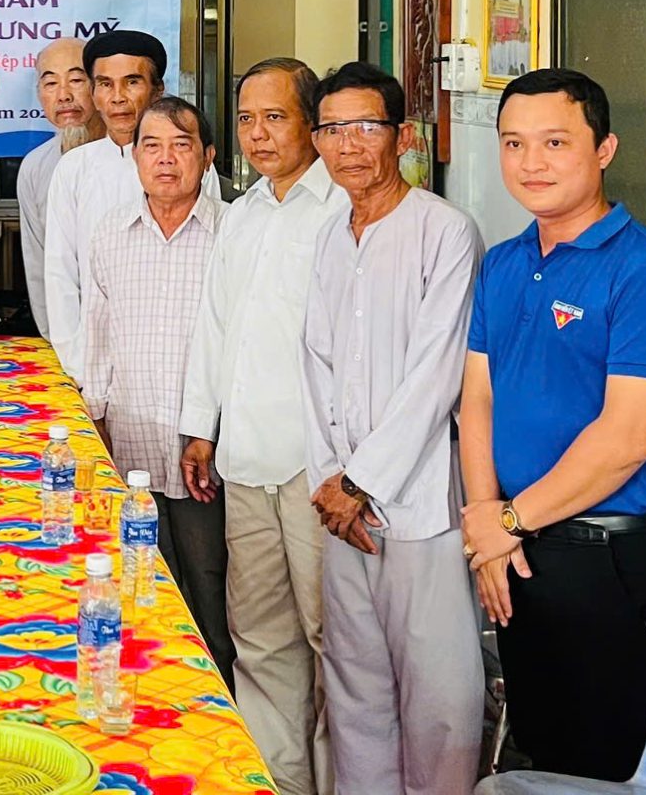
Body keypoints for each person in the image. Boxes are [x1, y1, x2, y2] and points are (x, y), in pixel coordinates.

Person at [460, 68, 646, 781]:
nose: (530, 162)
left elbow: (624, 442)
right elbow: (477, 399)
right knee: (544, 754)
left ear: (604, 150)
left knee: (612, 768)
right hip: (521, 548)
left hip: (612, 560)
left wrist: (503, 523)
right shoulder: (503, 266)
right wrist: (489, 524)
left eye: (555, 142)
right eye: (513, 144)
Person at [299, 61, 483, 795]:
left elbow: (436, 379)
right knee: (355, 687)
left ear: (401, 136)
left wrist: (361, 480)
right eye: (332, 130)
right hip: (340, 508)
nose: (348, 145)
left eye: (366, 127)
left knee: (440, 696)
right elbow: (314, 365)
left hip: (416, 506)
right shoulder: (328, 236)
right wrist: (329, 481)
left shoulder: (444, 232)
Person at [177, 57, 344, 795]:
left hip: (318, 469)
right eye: (246, 119)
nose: (258, 133)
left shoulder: (344, 210)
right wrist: (200, 429)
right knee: (261, 641)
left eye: (275, 116)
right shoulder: (241, 216)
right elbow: (214, 331)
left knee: (332, 640)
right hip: (244, 461)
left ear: (314, 121)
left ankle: (343, 780)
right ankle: (276, 782)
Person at [82, 95, 236, 682]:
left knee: (215, 606)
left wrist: (217, 431)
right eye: (151, 145)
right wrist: (93, 427)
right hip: (130, 453)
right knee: (141, 602)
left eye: (181, 145)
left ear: (209, 156)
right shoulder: (109, 234)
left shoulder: (234, 233)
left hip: (210, 458)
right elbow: (95, 337)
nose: (165, 160)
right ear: (134, 157)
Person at [43, 29, 219, 385]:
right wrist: (78, 370)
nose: (117, 97)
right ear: (92, 92)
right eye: (105, 84)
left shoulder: (189, 163)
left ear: (157, 90)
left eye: (132, 82)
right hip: (94, 369)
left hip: (185, 366)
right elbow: (61, 277)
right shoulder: (74, 169)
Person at [18, 35, 94, 341]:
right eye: (50, 84)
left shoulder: (135, 158)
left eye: (76, 80)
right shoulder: (35, 167)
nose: (64, 95)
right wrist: (58, 344)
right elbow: (39, 270)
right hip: (66, 346)